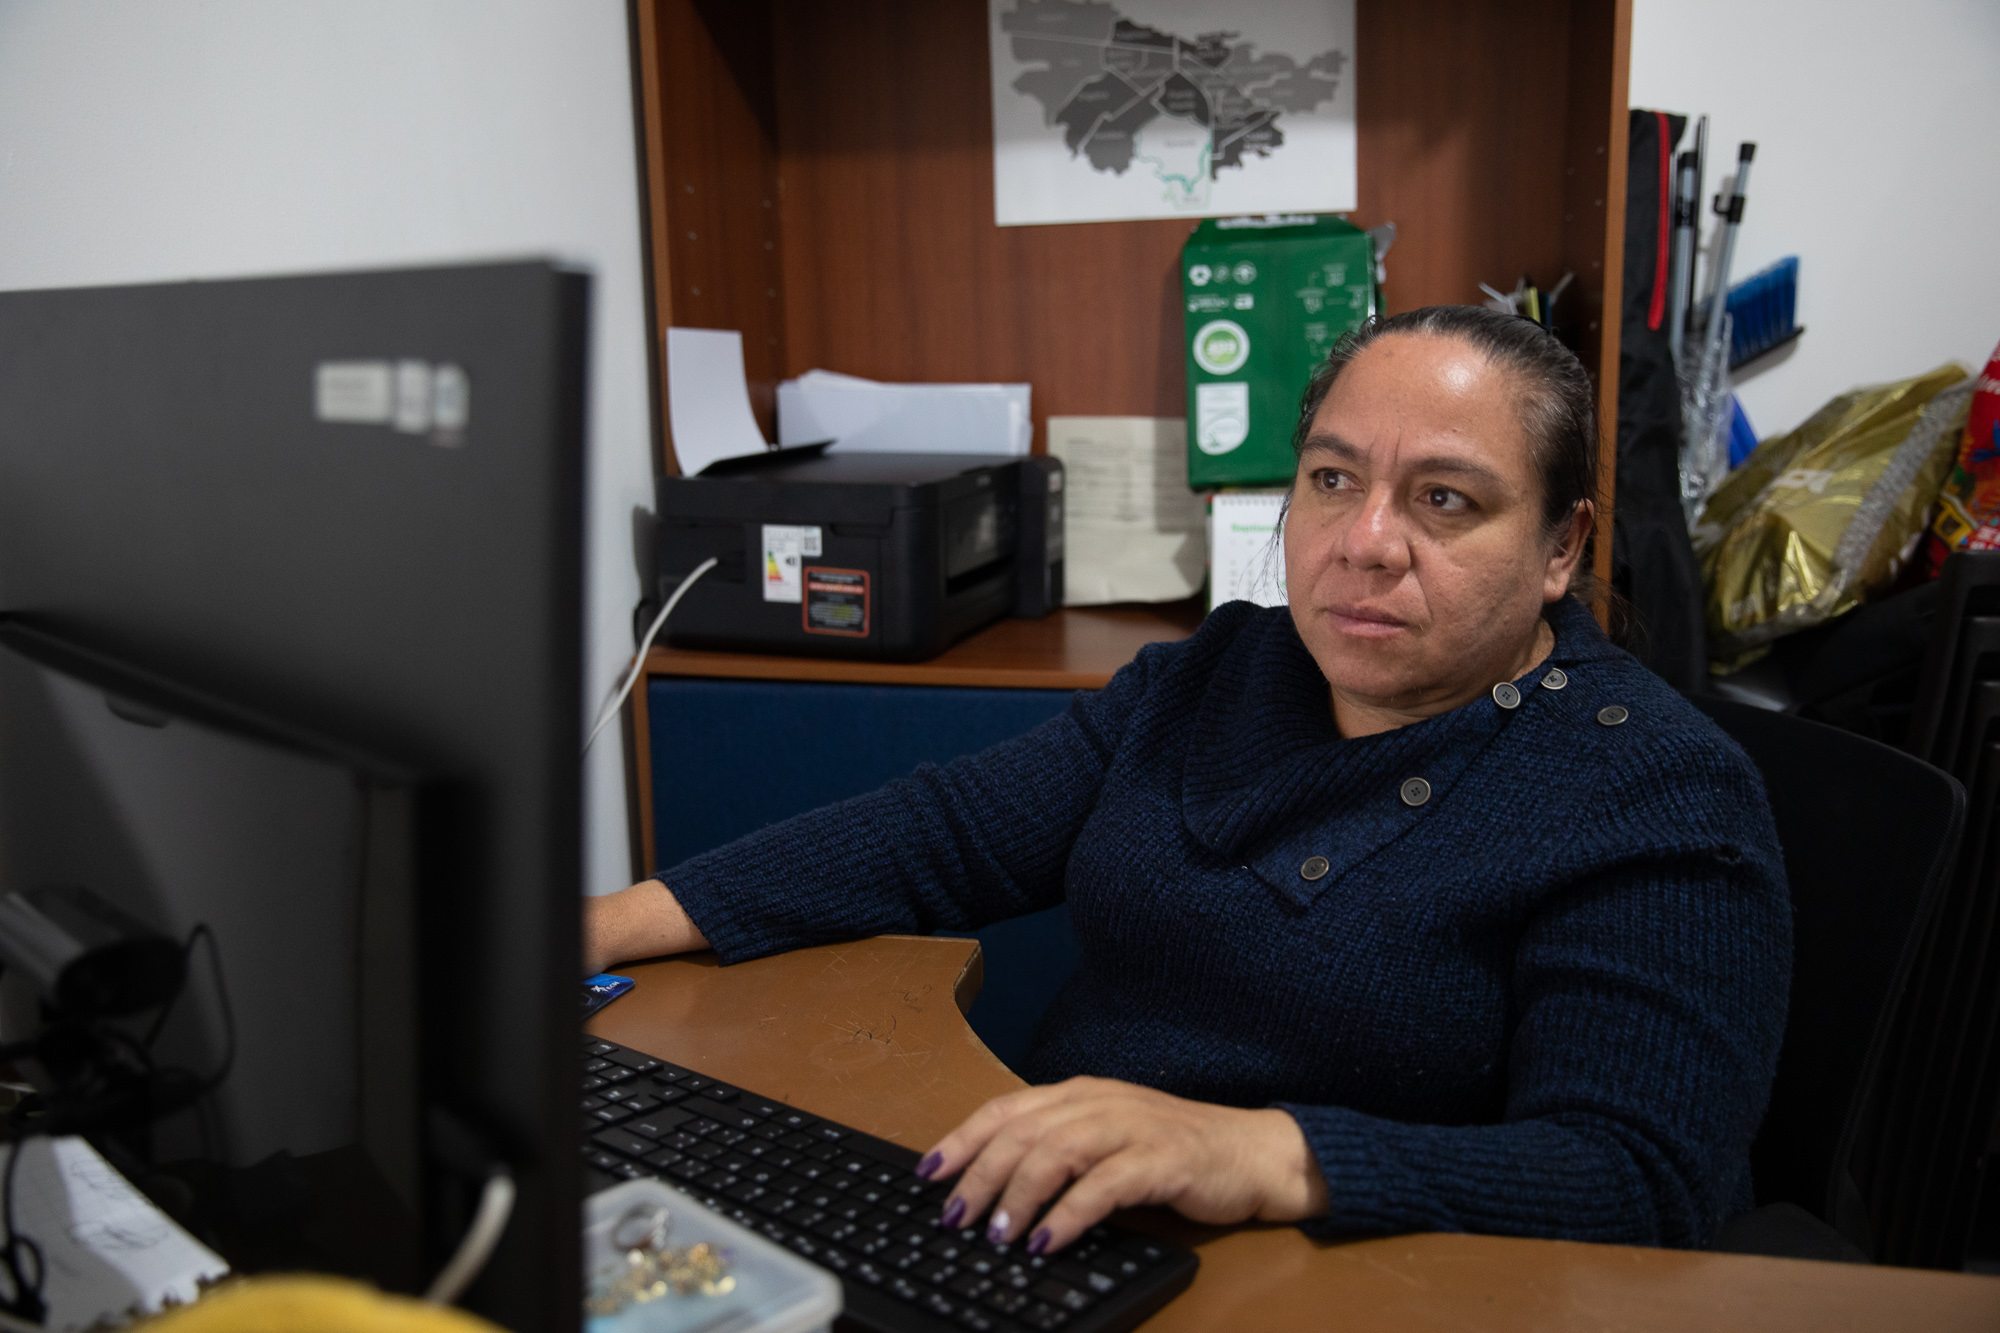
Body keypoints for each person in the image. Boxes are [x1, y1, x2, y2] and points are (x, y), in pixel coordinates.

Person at [585, 305, 1790, 1259]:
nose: (1364, 541)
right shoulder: (1221, 670)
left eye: (1443, 499)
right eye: (1330, 479)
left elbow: (1636, 1176)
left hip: (1360, 1278)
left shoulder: (1654, 790)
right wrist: (597, 927)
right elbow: (939, 835)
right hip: (1072, 1218)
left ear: (1560, 546)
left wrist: (1259, 1154)